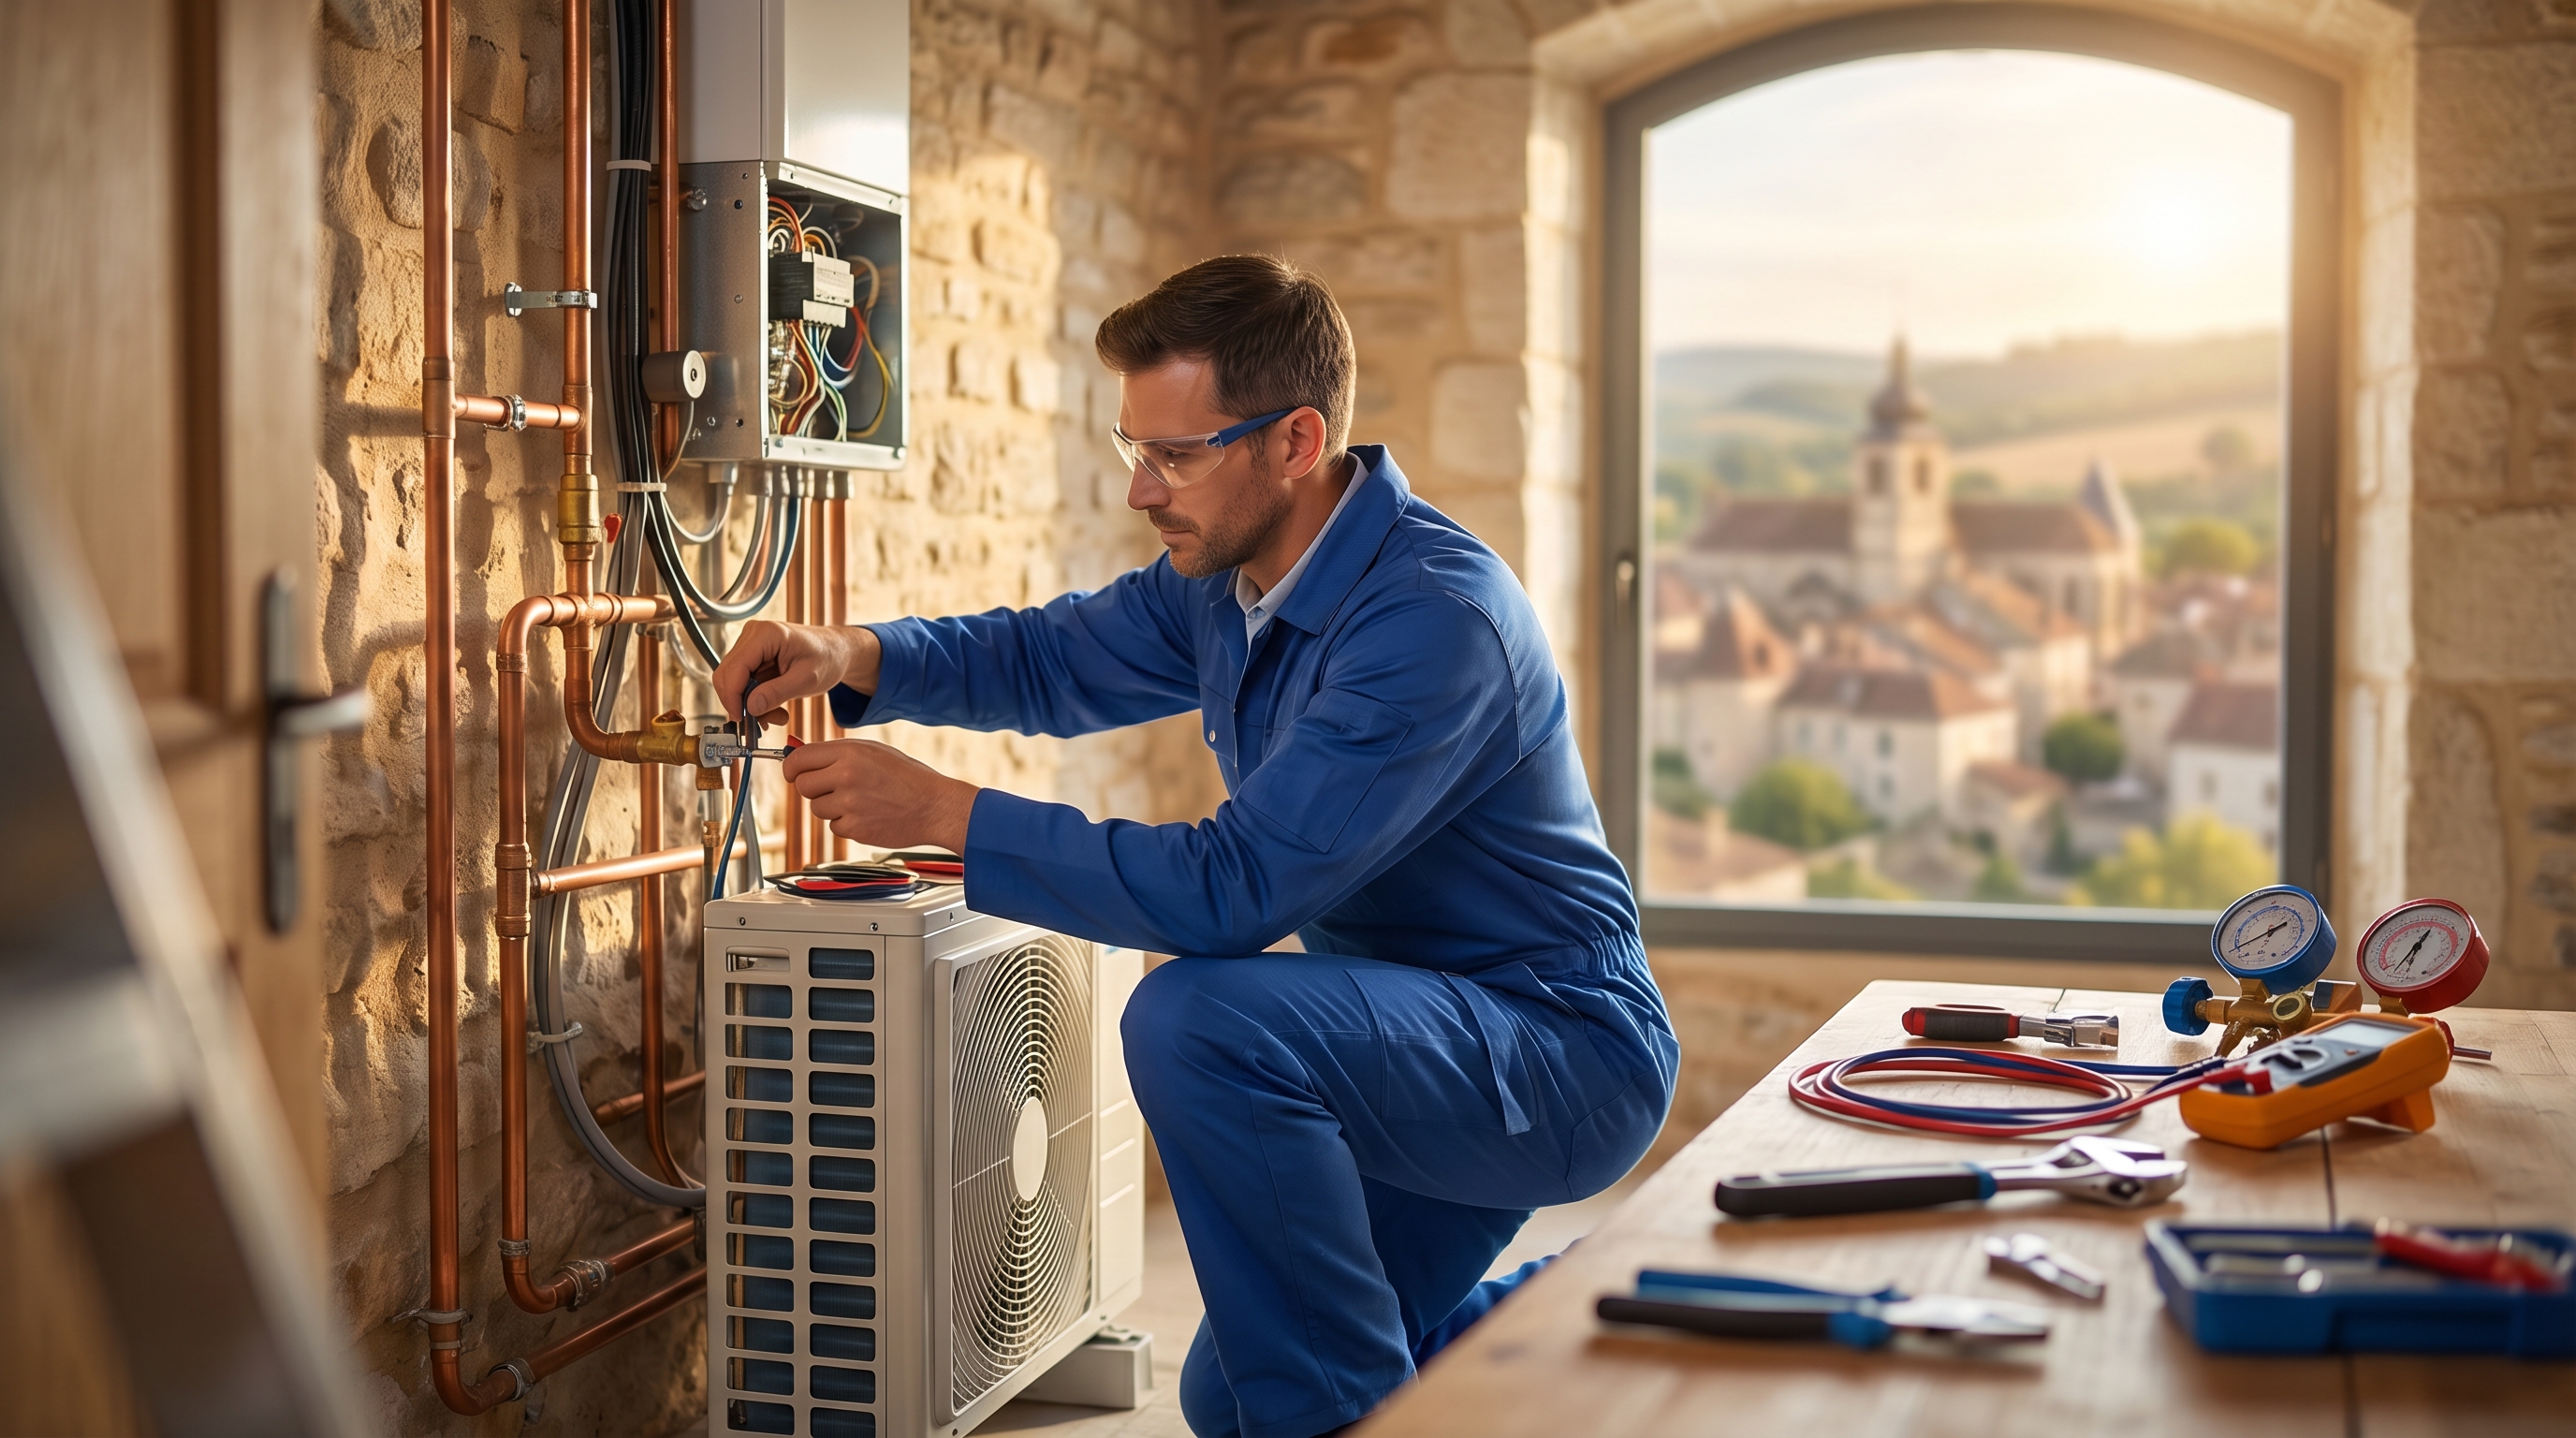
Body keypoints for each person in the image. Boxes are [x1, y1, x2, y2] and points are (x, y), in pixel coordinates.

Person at [711, 255, 1676, 1438]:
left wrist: (944, 819)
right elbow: (1053, 657)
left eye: (1176, 456)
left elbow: (1234, 892)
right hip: (1396, 1035)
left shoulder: (1433, 621)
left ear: (1295, 440)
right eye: (1134, 450)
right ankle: (1578, 1313)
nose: (1141, 491)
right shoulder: (1231, 579)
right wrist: (853, 651)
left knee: (1199, 1022)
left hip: (1554, 1054)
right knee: (1235, 1395)